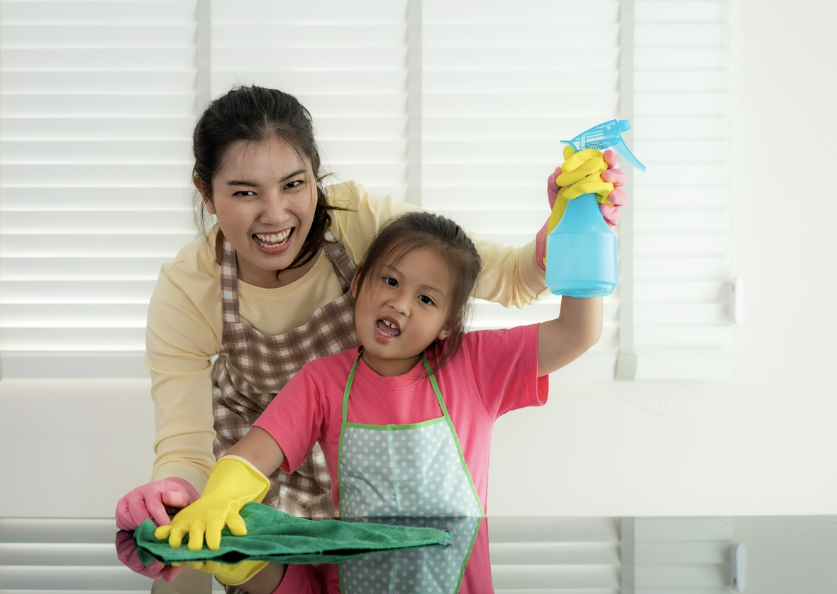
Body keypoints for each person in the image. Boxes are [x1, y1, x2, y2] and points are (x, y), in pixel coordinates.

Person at [115, 85, 627, 531]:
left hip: (370, 482)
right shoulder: (189, 289)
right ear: (206, 193)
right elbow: (184, 448)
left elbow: (511, 276)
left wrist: (570, 224)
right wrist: (174, 495)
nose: (275, 214)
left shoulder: (360, 222)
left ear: (317, 175)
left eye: (295, 184)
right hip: (254, 484)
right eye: (245, 192)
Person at [152, 211, 602, 590]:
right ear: (360, 282)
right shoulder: (322, 381)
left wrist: (583, 226)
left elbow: (577, 332)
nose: (401, 303)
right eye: (390, 280)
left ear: (448, 324)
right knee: (242, 539)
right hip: (347, 582)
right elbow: (251, 456)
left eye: (426, 299)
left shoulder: (472, 365)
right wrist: (217, 502)